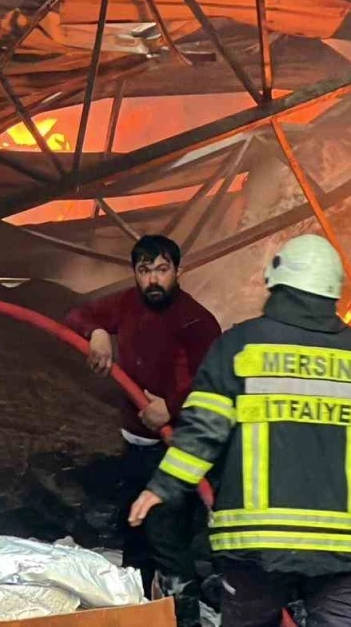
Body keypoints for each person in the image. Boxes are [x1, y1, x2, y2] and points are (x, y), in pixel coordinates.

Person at [129, 234, 351, 627]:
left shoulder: (239, 347)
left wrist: (162, 487)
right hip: (343, 546)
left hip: (256, 545)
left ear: (276, 282)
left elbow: (203, 432)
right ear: (334, 289)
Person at [63, 234, 221, 622]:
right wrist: (97, 332)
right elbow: (77, 314)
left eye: (162, 270)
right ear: (134, 272)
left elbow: (216, 382)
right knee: (134, 534)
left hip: (179, 450)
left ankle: (183, 617)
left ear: (178, 271)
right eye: (144, 270)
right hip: (135, 444)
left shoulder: (197, 320)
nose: (153, 280)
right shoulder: (126, 304)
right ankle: (139, 614)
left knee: (167, 541)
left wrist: (173, 406)